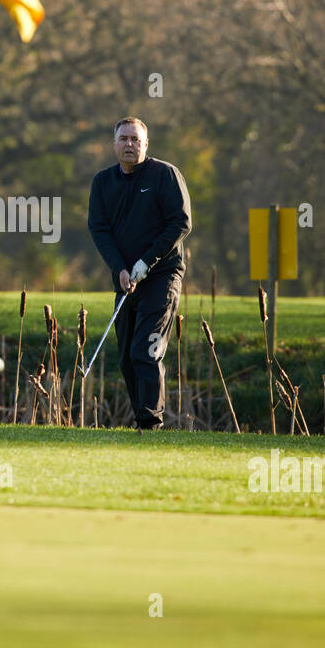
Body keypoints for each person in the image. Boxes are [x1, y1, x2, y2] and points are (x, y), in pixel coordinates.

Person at [87, 116, 192, 429]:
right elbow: (99, 228)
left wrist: (147, 262)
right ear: (114, 144)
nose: (129, 144)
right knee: (125, 358)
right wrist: (118, 267)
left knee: (145, 350)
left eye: (135, 139)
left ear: (146, 144)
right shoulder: (103, 182)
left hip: (162, 276)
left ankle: (151, 422)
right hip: (125, 280)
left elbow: (180, 222)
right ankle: (141, 419)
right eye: (124, 139)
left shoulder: (165, 175)